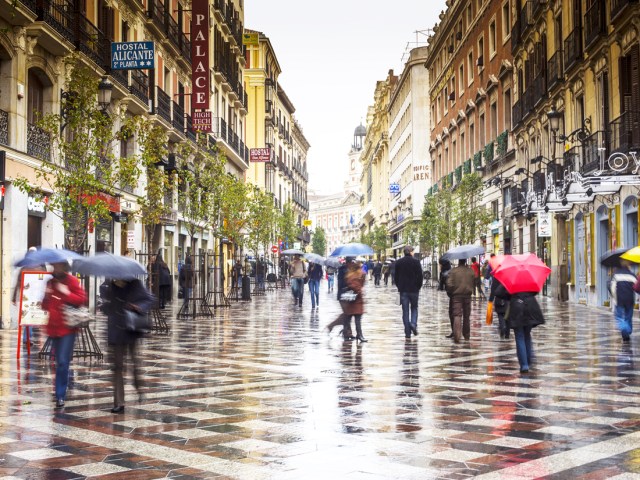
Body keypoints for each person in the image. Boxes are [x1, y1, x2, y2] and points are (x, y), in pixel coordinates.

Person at [101, 278, 154, 413]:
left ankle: (139, 387)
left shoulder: (135, 284)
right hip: (116, 331)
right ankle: (119, 402)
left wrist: (138, 307)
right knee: (117, 367)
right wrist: (104, 305)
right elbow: (107, 306)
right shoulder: (109, 285)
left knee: (135, 363)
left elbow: (149, 299)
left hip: (131, 330)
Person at [41, 261, 87, 409]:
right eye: (53, 266)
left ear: (64, 267)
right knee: (56, 361)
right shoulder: (50, 282)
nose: (55, 269)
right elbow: (44, 305)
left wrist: (66, 292)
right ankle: (59, 389)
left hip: (68, 328)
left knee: (62, 361)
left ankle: (60, 394)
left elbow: (81, 299)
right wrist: (47, 297)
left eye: (58, 266)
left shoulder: (72, 281)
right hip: (53, 328)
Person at [495, 282, 545, 373]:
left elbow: (498, 292)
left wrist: (510, 296)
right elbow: (536, 290)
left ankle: (524, 365)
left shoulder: (512, 278)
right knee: (527, 335)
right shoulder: (529, 278)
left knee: (519, 336)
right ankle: (528, 362)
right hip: (530, 306)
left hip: (517, 306)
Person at [394, 246, 424, 339]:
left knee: (405, 311)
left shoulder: (399, 262)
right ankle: (413, 324)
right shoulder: (416, 262)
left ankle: (407, 333)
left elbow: (396, 277)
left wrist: (399, 286)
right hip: (414, 289)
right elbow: (420, 276)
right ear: (410, 252)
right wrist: (418, 286)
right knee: (414, 308)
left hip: (403, 290)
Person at [446, 258, 475, 343]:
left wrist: (452, 291)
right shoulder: (471, 271)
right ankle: (466, 335)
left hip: (456, 296)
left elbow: (449, 283)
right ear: (465, 261)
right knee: (466, 316)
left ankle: (457, 336)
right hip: (467, 296)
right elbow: (474, 281)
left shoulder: (453, 271)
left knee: (457, 315)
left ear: (459, 261)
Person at [326, 258, 353, 340]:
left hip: (348, 294)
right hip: (343, 294)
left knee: (348, 313)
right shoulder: (343, 270)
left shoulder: (349, 270)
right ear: (348, 262)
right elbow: (341, 284)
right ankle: (335, 327)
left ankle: (346, 332)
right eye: (351, 261)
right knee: (347, 313)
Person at [341, 260, 367, 342]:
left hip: (352, 299)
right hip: (355, 298)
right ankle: (359, 335)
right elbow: (358, 285)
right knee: (356, 318)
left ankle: (349, 334)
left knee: (349, 317)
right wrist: (358, 290)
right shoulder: (358, 275)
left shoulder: (350, 274)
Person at [612, 259, 638, 342]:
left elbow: (612, 288)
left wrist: (614, 298)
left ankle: (625, 329)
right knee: (628, 316)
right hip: (630, 299)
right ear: (628, 266)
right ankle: (628, 331)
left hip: (619, 299)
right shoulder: (632, 275)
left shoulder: (616, 275)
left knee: (619, 317)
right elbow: (637, 287)